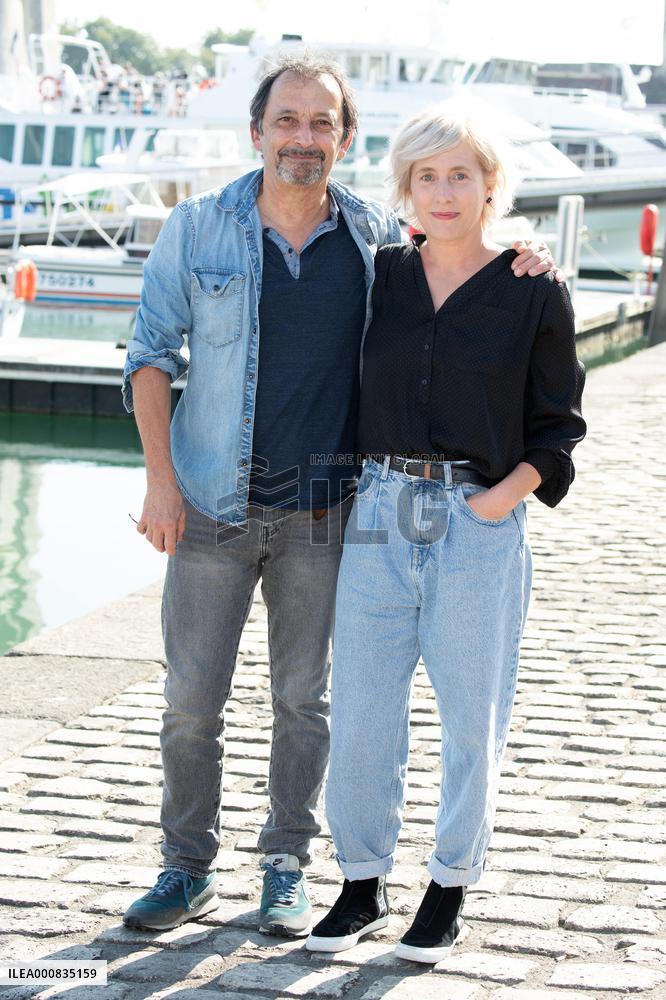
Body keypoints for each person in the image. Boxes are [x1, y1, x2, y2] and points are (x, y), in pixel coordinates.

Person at [120, 57, 558, 938]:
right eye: (287, 120)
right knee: (189, 702)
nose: (303, 138)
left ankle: (288, 863)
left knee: (307, 703)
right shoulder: (196, 228)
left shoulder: (372, 243)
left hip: (330, 511)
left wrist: (522, 255)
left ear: (344, 139)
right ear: (257, 131)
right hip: (211, 502)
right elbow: (149, 355)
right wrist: (160, 483)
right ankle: (184, 867)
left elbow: (461, 266)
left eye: (322, 124)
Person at [306, 103, 586, 963]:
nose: (444, 190)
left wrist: (498, 502)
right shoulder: (382, 274)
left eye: (460, 173)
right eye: (425, 176)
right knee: (359, 712)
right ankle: (360, 881)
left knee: (472, 720)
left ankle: (448, 887)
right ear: (405, 190)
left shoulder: (535, 286)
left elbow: (560, 425)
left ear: (489, 184)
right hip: (381, 516)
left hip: (477, 523)